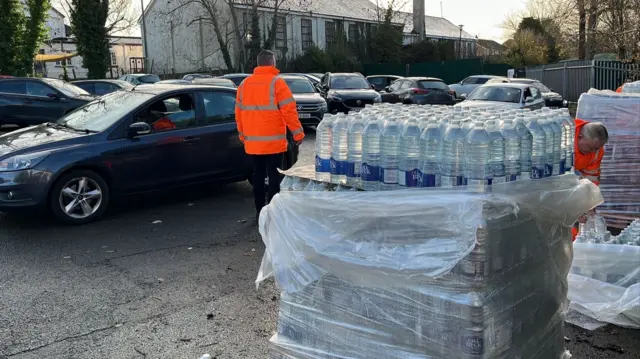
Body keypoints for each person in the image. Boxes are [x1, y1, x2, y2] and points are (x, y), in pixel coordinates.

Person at [234, 49, 305, 220]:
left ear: (258, 64)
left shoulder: (244, 85)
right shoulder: (277, 83)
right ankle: (273, 212)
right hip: (274, 143)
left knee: (258, 177)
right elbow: (289, 111)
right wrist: (298, 134)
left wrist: (243, 136)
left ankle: (260, 211)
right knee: (274, 177)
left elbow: (239, 114)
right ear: (272, 63)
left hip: (253, 143)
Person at [572, 119, 609, 240]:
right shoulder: (564, 139)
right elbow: (559, 182)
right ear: (580, 136)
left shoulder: (597, 151)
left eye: (596, 148)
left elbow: (591, 179)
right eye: (590, 147)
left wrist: (590, 204)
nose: (593, 152)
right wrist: (575, 207)